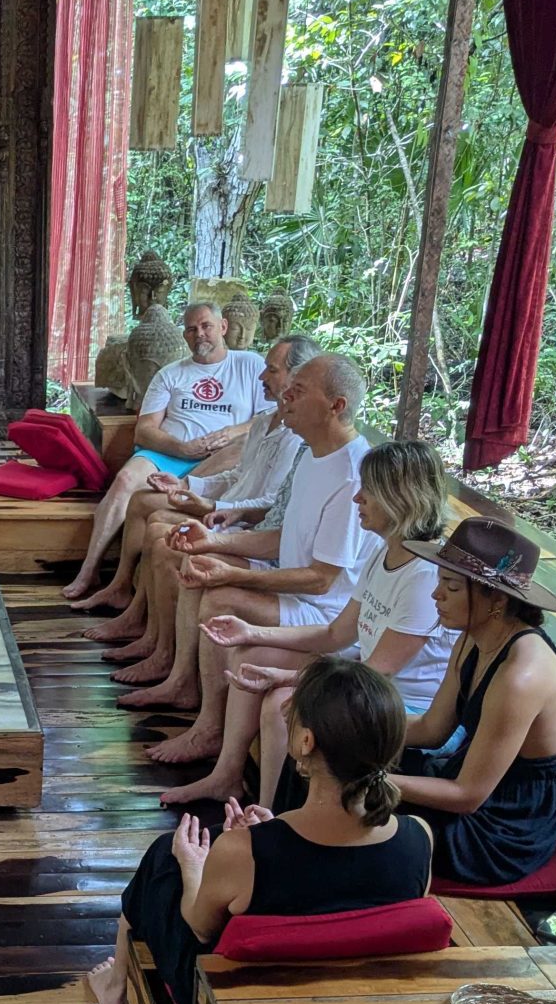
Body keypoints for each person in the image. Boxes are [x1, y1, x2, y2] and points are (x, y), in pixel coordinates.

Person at [88, 658, 433, 1004]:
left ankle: (115, 992)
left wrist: (194, 865)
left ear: (305, 741)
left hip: (244, 998)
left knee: (164, 855)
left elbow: (200, 927)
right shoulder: (419, 838)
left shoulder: (244, 852)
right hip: (363, 995)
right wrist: (270, 832)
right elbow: (347, 902)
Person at [166, 439, 456, 807]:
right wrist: (251, 632)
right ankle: (227, 775)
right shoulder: (387, 551)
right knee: (254, 655)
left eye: (369, 490)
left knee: (281, 705)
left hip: (399, 702)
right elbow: (336, 633)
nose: (358, 499)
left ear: (400, 497)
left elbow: (373, 674)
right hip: (365, 677)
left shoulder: (424, 576)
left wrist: (286, 678)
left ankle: (271, 814)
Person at [124, 356, 382, 767]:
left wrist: (231, 570)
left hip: (323, 611)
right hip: (295, 584)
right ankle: (181, 681)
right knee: (199, 570)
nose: (286, 396)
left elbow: (321, 580)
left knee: (220, 597)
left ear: (336, 405)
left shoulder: (352, 474)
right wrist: (215, 541)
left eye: (299, 390)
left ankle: (208, 729)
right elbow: (284, 537)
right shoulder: (315, 454)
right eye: (288, 387)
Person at [77, 334, 319, 627]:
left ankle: (143, 628)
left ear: (298, 377)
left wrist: (210, 503)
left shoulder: (298, 437)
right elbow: (238, 475)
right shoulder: (266, 420)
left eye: (271, 369)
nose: (262, 375)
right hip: (217, 497)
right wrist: (187, 486)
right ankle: (122, 593)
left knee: (161, 534)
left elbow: (269, 504)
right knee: (141, 499)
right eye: (191, 328)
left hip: (239, 520)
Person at [392, 518, 556, 887]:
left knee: (360, 811)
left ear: (496, 599)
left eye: (450, 586)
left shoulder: (520, 676)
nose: (436, 596)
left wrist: (378, 781)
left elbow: (467, 796)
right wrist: (350, 731)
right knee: (326, 764)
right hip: (469, 779)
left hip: (504, 828)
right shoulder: (470, 639)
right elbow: (432, 729)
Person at [61, 305, 268, 602]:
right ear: (184, 335)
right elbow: (144, 431)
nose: (200, 334)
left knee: (238, 448)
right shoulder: (171, 374)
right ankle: (89, 569)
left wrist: (232, 432)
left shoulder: (249, 365)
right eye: (191, 329)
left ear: (223, 326)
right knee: (124, 481)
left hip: (221, 456)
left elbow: (266, 421)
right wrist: (182, 447)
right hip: (170, 451)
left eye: (206, 326)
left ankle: (130, 581)